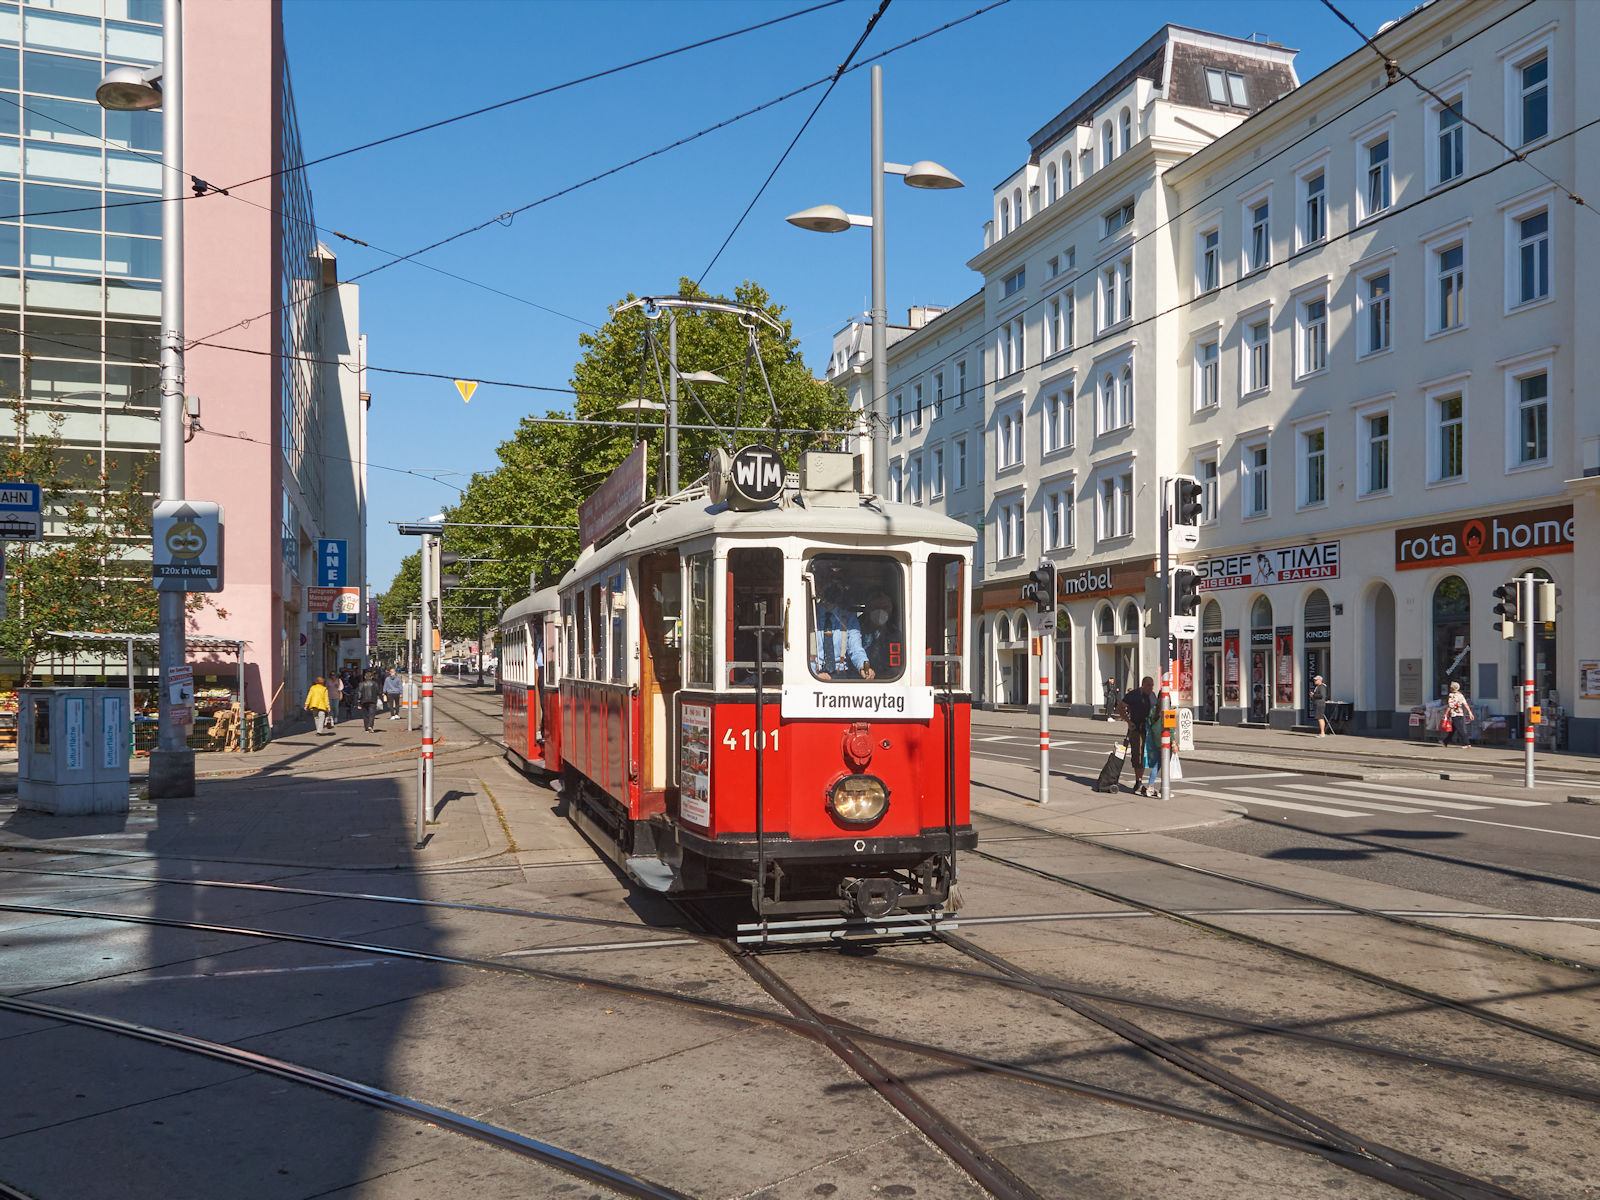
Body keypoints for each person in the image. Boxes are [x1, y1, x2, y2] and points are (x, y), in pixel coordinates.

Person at [812, 581, 873, 681]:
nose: (832, 589)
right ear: (818, 589)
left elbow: (856, 649)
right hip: (812, 676)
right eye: (828, 583)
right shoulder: (808, 616)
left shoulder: (849, 618)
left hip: (840, 677)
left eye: (837, 584)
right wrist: (814, 675)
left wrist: (865, 668)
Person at [1116, 676, 1156, 793]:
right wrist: (1129, 722)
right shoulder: (1134, 694)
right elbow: (1120, 707)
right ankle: (1138, 782)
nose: (1150, 688)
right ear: (1142, 685)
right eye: (1148, 685)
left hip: (1150, 730)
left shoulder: (1152, 695)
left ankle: (1145, 783)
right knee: (1138, 755)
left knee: (1146, 756)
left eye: (1152, 685)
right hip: (1137, 729)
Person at [861, 590, 902, 679]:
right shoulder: (857, 631)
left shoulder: (896, 635)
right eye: (876, 607)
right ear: (868, 610)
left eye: (885, 608)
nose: (880, 612)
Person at [1440, 680, 1474, 748]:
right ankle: (1445, 741)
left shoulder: (1451, 695)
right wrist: (1470, 712)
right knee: (1453, 728)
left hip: (1454, 713)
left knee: (1460, 729)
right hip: (1460, 713)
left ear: (1452, 688)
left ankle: (1466, 743)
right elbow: (1465, 704)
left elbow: (1450, 705)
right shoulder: (1460, 695)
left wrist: (1446, 713)